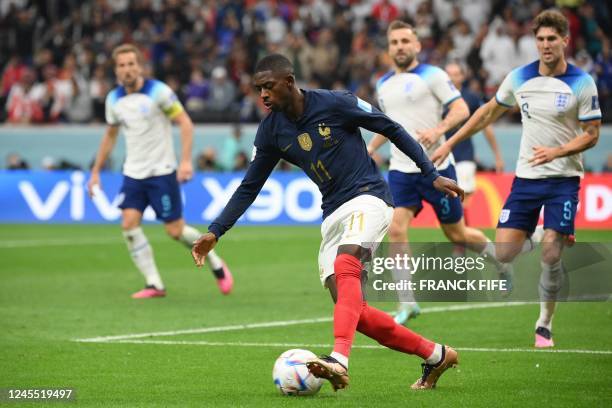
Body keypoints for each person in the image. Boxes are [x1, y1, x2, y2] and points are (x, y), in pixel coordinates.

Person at [192, 54, 463, 391]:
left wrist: (431, 173)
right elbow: (250, 184)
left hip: (370, 198)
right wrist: (216, 230)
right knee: (357, 313)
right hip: (332, 213)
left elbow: (390, 127)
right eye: (258, 88)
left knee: (346, 263)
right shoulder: (271, 130)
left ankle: (339, 360)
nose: (262, 95)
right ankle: (437, 355)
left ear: (289, 82)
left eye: (268, 87)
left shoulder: (337, 103)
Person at [431, 9, 602, 348]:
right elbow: (486, 114)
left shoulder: (582, 82)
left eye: (552, 38)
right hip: (526, 178)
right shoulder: (520, 77)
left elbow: (592, 134)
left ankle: (544, 324)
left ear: (565, 40)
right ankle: (547, 232)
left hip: (564, 179)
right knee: (506, 252)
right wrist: (449, 141)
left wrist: (557, 152)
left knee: (551, 255)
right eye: (540, 39)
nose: (546, 44)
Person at [367, 21, 511, 325]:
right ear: (389, 48)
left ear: (417, 45)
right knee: (395, 229)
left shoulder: (434, 75)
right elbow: (388, 124)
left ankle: (499, 258)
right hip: (401, 170)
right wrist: (369, 148)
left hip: (436, 168)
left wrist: (439, 130)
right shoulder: (383, 84)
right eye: (394, 42)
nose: (400, 47)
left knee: (456, 233)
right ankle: (407, 303)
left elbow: (460, 110)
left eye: (406, 40)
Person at [87, 44, 233, 299]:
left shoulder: (158, 92)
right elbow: (110, 135)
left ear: (139, 66)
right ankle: (154, 284)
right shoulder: (114, 99)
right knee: (129, 224)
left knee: (174, 231)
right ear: (116, 70)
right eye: (122, 65)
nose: (127, 69)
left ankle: (216, 263)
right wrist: (96, 171)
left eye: (131, 64)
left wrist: (186, 161)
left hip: (162, 171)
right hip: (133, 173)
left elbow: (185, 122)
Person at [445, 62, 505, 256]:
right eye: (449, 74)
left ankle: (461, 244)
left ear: (462, 76)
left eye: (456, 74)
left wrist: (497, 155)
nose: (452, 78)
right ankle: (462, 239)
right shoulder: (441, 97)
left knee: (462, 200)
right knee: (453, 202)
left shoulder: (470, 98)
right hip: (443, 157)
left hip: (464, 156)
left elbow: (486, 125)